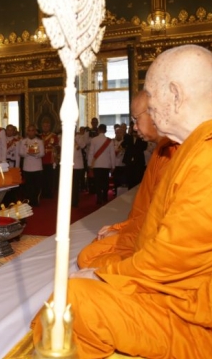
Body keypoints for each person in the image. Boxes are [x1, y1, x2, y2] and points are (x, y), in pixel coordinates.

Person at [34, 44, 212, 359]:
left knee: (73, 301)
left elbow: (176, 259)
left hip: (210, 323)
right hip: (183, 294)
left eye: (151, 104)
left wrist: (104, 276)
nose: (150, 115)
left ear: (175, 94)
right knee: (82, 287)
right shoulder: (196, 147)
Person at [77, 90, 179, 268]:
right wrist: (121, 228)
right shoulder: (161, 150)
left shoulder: (178, 152)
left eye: (135, 120)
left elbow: (164, 219)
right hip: (141, 230)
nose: (134, 127)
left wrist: (121, 230)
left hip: (157, 242)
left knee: (88, 262)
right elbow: (146, 210)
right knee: (87, 255)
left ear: (155, 114)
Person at [87, 124, 115, 205]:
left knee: (98, 182)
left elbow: (91, 153)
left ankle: (99, 198)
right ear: (106, 130)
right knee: (105, 181)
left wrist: (89, 164)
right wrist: (113, 165)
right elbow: (112, 154)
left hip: (96, 164)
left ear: (98, 130)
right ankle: (105, 197)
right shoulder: (109, 141)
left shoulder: (94, 140)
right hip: (106, 165)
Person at [19, 125, 44, 207]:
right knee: (28, 185)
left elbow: (42, 153)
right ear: (27, 132)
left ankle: (35, 201)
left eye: (32, 130)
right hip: (27, 166)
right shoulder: (23, 141)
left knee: (36, 185)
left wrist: (35, 154)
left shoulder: (39, 141)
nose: (31, 132)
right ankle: (28, 201)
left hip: (37, 166)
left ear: (35, 131)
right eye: (29, 130)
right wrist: (27, 152)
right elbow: (20, 153)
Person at [122, 118, 147, 189]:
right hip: (129, 161)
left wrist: (139, 137)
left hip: (138, 161)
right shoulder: (128, 138)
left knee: (138, 178)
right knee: (130, 178)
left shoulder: (142, 138)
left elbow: (144, 147)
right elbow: (123, 145)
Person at [39, 120, 59, 198]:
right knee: (42, 178)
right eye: (44, 126)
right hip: (41, 159)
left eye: (47, 126)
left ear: (50, 127)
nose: (45, 127)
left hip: (50, 159)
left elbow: (57, 147)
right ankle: (43, 192)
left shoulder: (54, 136)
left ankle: (50, 193)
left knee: (50, 177)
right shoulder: (39, 136)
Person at [72, 129, 88, 207]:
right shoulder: (64, 137)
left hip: (77, 165)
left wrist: (75, 139)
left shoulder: (79, 137)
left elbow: (83, 145)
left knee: (75, 184)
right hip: (68, 165)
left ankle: (75, 201)